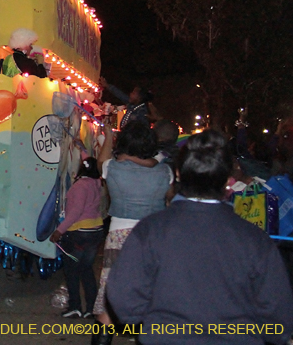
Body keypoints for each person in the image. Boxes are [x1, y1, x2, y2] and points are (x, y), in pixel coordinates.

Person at [107, 130, 293, 344]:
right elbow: (278, 315)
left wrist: (153, 323)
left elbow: (123, 295)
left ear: (177, 174)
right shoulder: (254, 238)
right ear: (227, 179)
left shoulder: (151, 230)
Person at [91, 120, 171, 344]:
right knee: (149, 295)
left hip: (119, 235)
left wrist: (108, 136)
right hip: (152, 237)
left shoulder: (112, 168)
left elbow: (101, 162)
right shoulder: (165, 172)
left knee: (109, 298)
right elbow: (171, 199)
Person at [49, 157, 105, 319]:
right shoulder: (96, 184)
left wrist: (59, 231)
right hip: (95, 229)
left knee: (72, 270)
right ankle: (91, 308)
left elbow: (76, 211)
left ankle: (75, 307)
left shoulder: (81, 186)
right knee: (86, 269)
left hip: (79, 232)